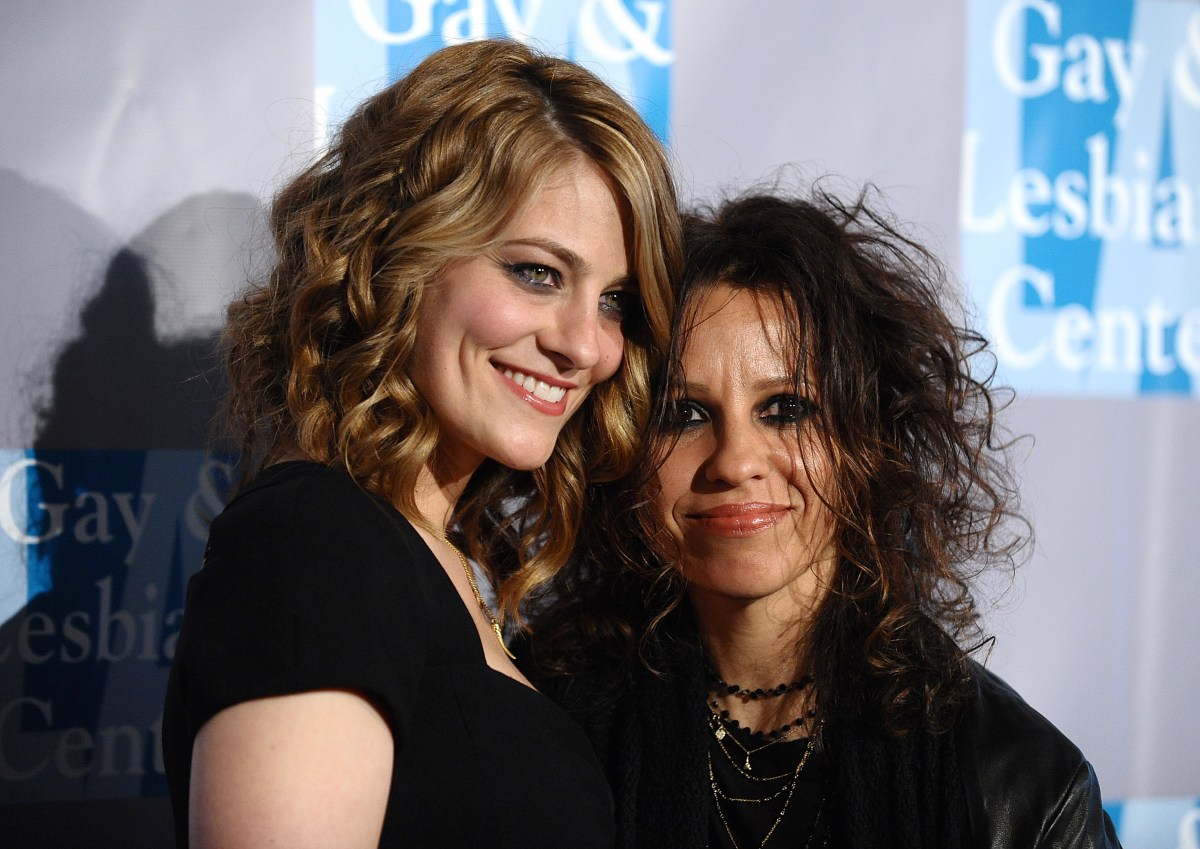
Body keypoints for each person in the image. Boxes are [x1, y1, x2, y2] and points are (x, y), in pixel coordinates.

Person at [162, 38, 681, 849]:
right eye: (537, 272)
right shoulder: (315, 542)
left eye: (615, 300)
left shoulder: (440, 554)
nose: (587, 345)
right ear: (400, 255)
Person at [528, 187, 1122, 848]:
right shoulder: (538, 719)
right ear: (622, 448)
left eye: (787, 408)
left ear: (867, 440)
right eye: (683, 414)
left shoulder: (1021, 779)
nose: (735, 461)